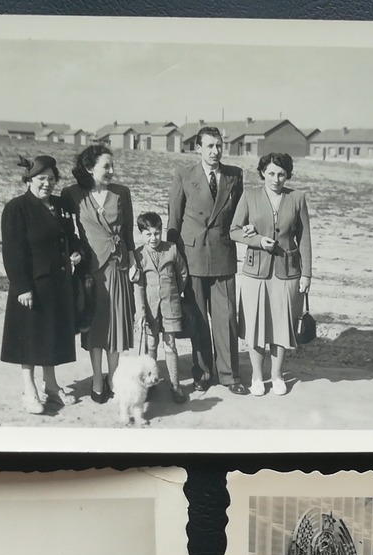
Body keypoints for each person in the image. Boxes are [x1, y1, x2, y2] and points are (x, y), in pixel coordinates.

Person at [0, 155, 84, 413]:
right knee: (31, 337)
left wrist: (77, 251)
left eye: (51, 178)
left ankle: (52, 386)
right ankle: (29, 390)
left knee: (52, 335)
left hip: (58, 283)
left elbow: (72, 235)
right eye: (41, 179)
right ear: (29, 180)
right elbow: (13, 252)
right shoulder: (17, 208)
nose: (47, 184)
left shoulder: (59, 206)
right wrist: (21, 287)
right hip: (32, 285)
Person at [229, 152, 312, 397]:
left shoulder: (297, 198)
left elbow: (304, 238)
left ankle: (276, 375)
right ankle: (257, 376)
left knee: (280, 325)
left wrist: (306, 274)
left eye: (281, 174)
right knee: (255, 325)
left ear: (288, 175)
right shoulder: (250, 195)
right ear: (263, 172)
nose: (276, 179)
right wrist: (255, 240)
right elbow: (233, 230)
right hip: (256, 272)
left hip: (287, 273)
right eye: (271, 173)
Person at [167, 126, 243, 393]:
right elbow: (174, 219)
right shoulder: (184, 175)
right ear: (197, 148)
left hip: (223, 255)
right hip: (193, 256)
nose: (215, 151)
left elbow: (238, 216)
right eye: (209, 146)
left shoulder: (235, 175)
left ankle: (229, 375)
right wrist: (172, 258)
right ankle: (202, 372)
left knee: (226, 319)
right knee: (198, 318)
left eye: (219, 145)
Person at [60, 145, 136, 403]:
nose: (112, 171)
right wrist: (73, 253)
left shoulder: (122, 193)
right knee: (95, 328)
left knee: (116, 326)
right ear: (90, 168)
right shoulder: (72, 194)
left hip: (118, 267)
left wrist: (133, 261)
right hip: (92, 270)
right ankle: (96, 377)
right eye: (106, 166)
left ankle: (113, 375)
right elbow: (66, 231)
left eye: (113, 166)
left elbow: (128, 233)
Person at [132, 212, 188, 402]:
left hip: (170, 307)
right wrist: (140, 313)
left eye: (157, 233)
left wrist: (174, 294)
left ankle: (175, 384)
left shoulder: (171, 249)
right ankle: (151, 384)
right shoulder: (139, 255)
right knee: (151, 345)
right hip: (149, 309)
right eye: (148, 234)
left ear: (161, 232)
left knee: (170, 345)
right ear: (140, 234)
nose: (153, 238)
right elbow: (138, 287)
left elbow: (182, 274)